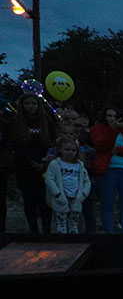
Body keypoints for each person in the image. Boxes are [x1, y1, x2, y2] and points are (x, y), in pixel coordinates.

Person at [5, 92, 57, 233]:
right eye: (27, 103)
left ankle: (47, 230)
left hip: (45, 167)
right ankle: (33, 229)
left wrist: (45, 161)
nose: (30, 106)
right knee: (29, 200)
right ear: (22, 105)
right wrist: (31, 162)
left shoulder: (47, 121)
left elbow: (53, 141)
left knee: (44, 201)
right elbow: (16, 145)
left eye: (33, 103)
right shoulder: (15, 122)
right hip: (25, 167)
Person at [44, 136, 91, 234]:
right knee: (61, 215)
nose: (70, 152)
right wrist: (57, 193)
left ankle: (73, 230)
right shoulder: (55, 164)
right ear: (60, 149)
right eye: (67, 149)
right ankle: (61, 231)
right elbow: (49, 179)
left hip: (76, 195)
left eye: (73, 150)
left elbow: (87, 181)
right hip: (61, 194)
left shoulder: (80, 166)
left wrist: (83, 194)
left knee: (74, 215)